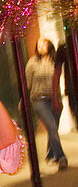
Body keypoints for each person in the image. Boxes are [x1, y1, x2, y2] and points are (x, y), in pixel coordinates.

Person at [26, 38, 68, 170]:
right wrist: (24, 99)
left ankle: (50, 155)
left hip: (54, 99)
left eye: (44, 44)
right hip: (38, 99)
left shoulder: (55, 62)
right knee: (52, 127)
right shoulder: (32, 62)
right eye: (38, 44)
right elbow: (27, 83)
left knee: (52, 128)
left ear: (49, 45)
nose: (40, 46)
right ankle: (61, 157)